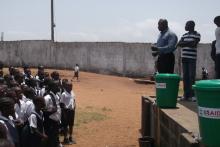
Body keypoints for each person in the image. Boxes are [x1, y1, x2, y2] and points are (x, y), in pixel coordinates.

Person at [177, 20, 201, 101]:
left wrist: (185, 43)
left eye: (186, 25)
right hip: (184, 58)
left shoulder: (197, 34)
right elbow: (179, 44)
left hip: (192, 58)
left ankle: (192, 95)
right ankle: (186, 95)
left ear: (191, 25)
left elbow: (194, 44)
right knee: (185, 76)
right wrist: (189, 43)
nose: (185, 26)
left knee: (191, 76)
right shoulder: (184, 35)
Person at [43, 80, 61, 147]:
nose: (59, 87)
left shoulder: (56, 96)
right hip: (50, 123)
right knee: (50, 141)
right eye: (57, 86)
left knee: (54, 140)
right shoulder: (47, 98)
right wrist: (51, 111)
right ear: (53, 87)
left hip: (55, 122)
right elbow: (42, 111)